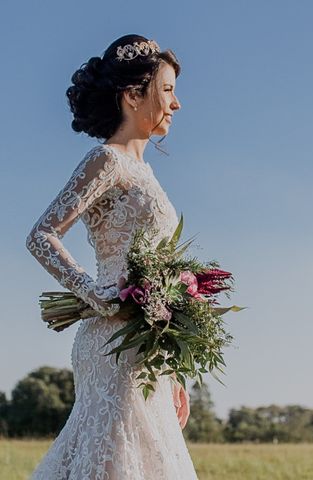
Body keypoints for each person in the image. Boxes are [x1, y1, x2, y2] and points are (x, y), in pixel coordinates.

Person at [25, 34, 198, 479]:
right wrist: (92, 290)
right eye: (167, 90)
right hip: (111, 345)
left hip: (147, 352)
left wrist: (173, 368)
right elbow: (42, 234)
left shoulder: (146, 172)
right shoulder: (107, 160)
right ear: (132, 95)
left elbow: (159, 269)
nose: (176, 103)